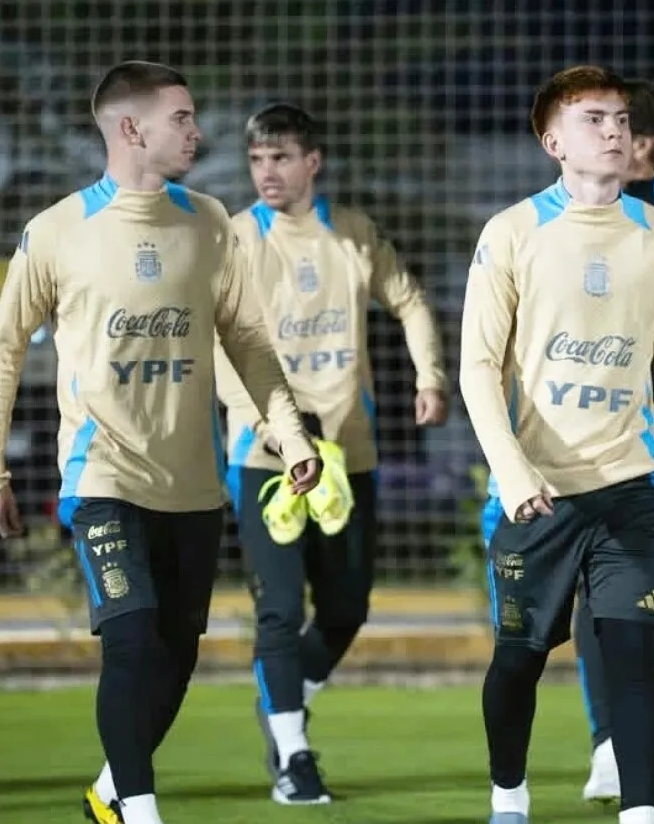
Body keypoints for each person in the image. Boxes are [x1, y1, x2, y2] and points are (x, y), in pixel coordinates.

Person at [0, 62, 320, 824]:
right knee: (130, 641)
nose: (197, 132)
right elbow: (2, 349)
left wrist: (287, 429)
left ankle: (108, 791)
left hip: (192, 484)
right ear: (131, 128)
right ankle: (139, 810)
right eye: (183, 117)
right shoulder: (58, 230)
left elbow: (247, 339)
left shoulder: (208, 221)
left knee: (176, 658)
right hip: (100, 475)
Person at [460, 65, 654, 824]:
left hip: (630, 488)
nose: (614, 129)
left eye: (621, 118)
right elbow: (476, 367)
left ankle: (639, 811)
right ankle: (509, 797)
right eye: (593, 117)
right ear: (551, 140)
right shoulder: (510, 232)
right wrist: (511, 467)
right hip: (537, 493)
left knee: (634, 651)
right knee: (517, 661)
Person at [214, 102, 449, 804]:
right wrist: (259, 419)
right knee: (280, 610)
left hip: (349, 453)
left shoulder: (350, 235)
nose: (267, 173)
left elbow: (408, 300)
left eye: (280, 158)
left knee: (346, 607)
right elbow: (217, 339)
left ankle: (284, 692)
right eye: (257, 160)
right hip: (265, 459)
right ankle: (293, 752)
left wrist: (429, 375)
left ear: (311, 162)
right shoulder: (236, 237)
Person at [576, 78, 654, 805]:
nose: (603, 137)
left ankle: (625, 748)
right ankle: (627, 751)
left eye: (612, 125)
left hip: (644, 435)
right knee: (647, 592)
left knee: (624, 592)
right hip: (630, 435)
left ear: (642, 144)